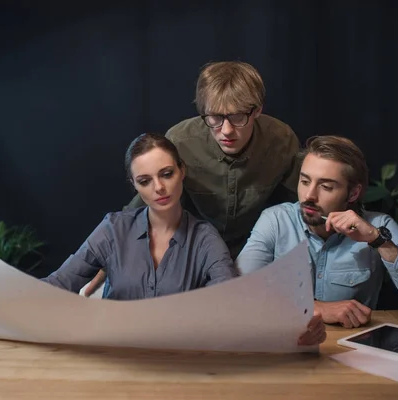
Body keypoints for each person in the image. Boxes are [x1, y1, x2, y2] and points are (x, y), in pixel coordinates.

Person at [0, 133, 326, 346]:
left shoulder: (205, 237)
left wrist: (297, 327)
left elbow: (230, 305)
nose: (159, 187)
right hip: (110, 359)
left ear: (182, 172)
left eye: (167, 174)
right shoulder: (113, 228)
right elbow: (56, 286)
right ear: (134, 186)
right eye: (145, 180)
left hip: (180, 366)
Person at [86, 60, 301, 296]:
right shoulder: (181, 140)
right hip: (190, 255)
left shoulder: (282, 140)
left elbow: (297, 209)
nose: (226, 130)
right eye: (214, 118)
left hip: (254, 256)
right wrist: (104, 264)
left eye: (238, 117)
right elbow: (141, 208)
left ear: (257, 110)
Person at [235, 135, 398, 328]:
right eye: (304, 181)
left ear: (353, 193)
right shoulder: (275, 220)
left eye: (326, 187)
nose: (309, 195)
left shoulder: (379, 226)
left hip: (352, 352)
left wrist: (378, 241)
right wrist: (315, 308)